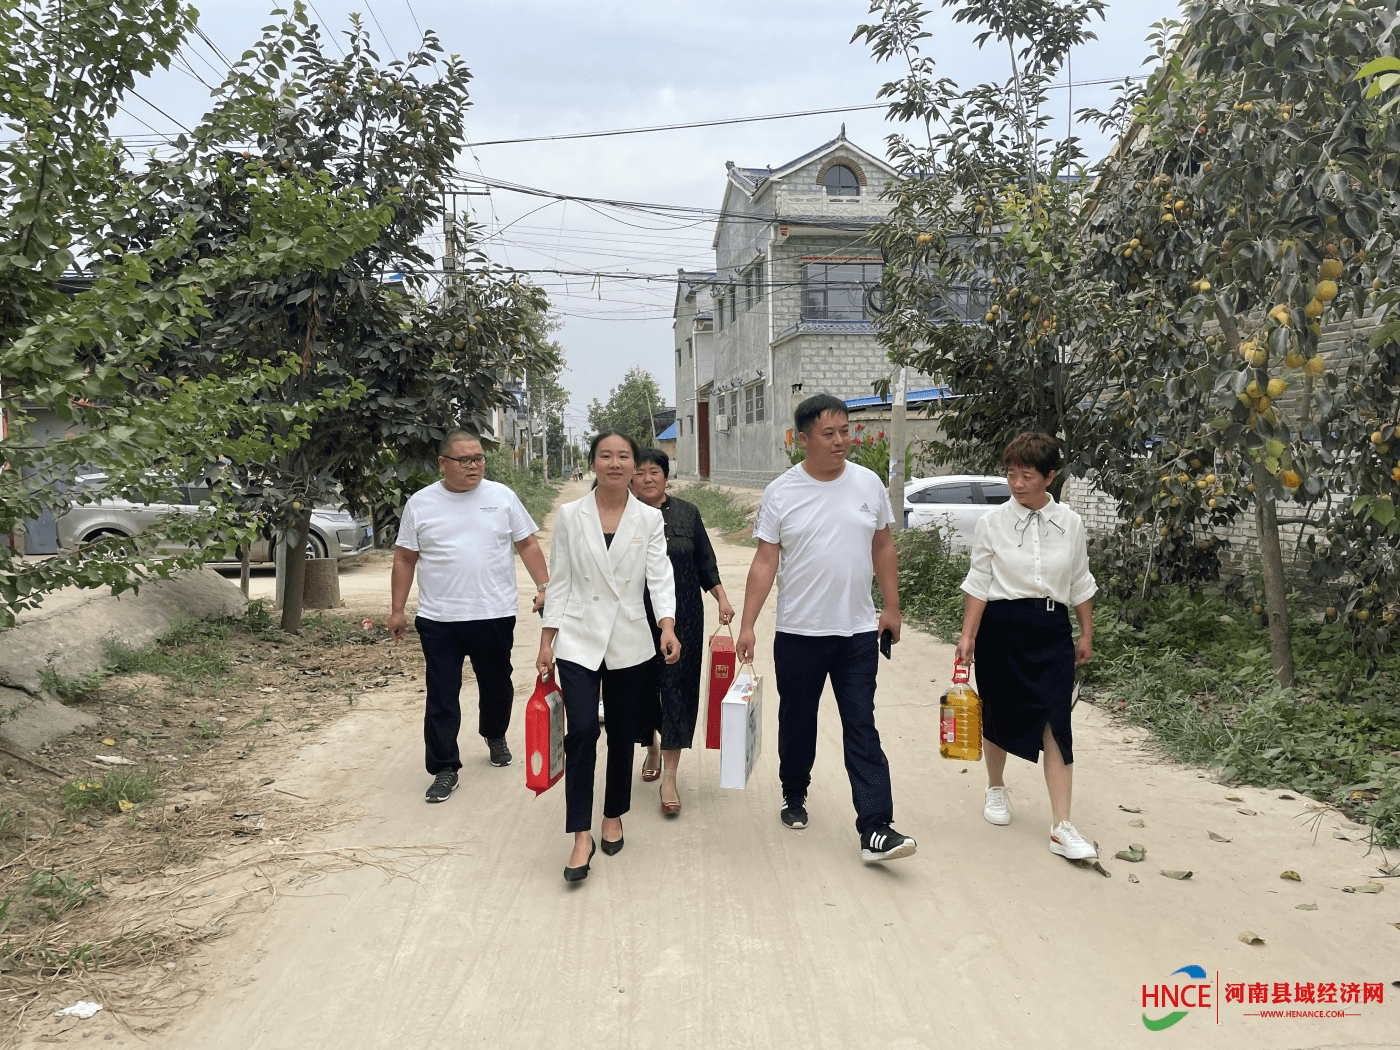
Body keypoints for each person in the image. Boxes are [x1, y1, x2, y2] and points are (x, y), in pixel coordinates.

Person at [737, 394, 917, 863]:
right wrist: (748, 625)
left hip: (856, 632)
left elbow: (883, 545)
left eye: (845, 432)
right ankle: (794, 791)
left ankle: (876, 827)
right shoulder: (781, 492)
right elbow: (765, 560)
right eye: (829, 433)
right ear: (803, 439)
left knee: (861, 723)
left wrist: (892, 607)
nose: (841, 441)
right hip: (799, 631)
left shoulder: (868, 483)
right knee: (798, 720)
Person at [537, 431, 680, 883]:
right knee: (581, 732)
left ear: (634, 465)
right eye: (605, 456)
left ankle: (613, 813)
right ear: (593, 462)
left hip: (630, 639)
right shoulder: (570, 515)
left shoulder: (648, 518)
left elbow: (659, 576)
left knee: (621, 733)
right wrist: (547, 640)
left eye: (623, 457)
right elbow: (560, 580)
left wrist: (667, 626)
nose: (614, 463)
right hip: (578, 638)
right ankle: (580, 834)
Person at [953, 432, 1097, 860]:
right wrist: (968, 635)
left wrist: (1086, 632)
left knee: (1057, 721)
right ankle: (995, 788)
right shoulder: (992, 523)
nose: (1017, 483)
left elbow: (1080, 580)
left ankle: (1061, 826)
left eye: (1027, 475)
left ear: (1050, 476)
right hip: (1001, 627)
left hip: (1051, 629)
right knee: (998, 710)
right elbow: (979, 582)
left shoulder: (1071, 523)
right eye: (1011, 474)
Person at [389, 431, 549, 803]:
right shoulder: (421, 503)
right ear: (443, 463)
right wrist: (397, 610)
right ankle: (444, 767)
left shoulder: (502, 497)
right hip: (439, 617)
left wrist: (544, 586)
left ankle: (494, 734)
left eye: (478, 458)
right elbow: (405, 558)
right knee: (442, 693)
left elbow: (527, 543)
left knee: (497, 684)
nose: (474, 466)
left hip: (493, 613)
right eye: (464, 460)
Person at [629, 448, 734, 815]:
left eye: (654, 471)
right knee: (642, 688)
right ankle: (651, 746)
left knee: (677, 690)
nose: (647, 478)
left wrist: (721, 598)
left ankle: (670, 777)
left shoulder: (687, 513)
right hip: (635, 617)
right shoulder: (624, 516)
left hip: (685, 615)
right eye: (640, 472)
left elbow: (705, 562)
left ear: (666, 476)